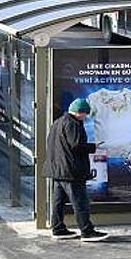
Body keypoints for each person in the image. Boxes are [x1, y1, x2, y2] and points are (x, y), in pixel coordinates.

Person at [42, 98, 108, 242]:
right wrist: (94, 146)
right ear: (79, 112)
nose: (85, 117)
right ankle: (87, 231)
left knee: (58, 202)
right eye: (85, 114)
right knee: (80, 201)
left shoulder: (57, 123)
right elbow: (76, 145)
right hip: (70, 171)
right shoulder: (73, 124)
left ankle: (58, 228)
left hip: (58, 170)